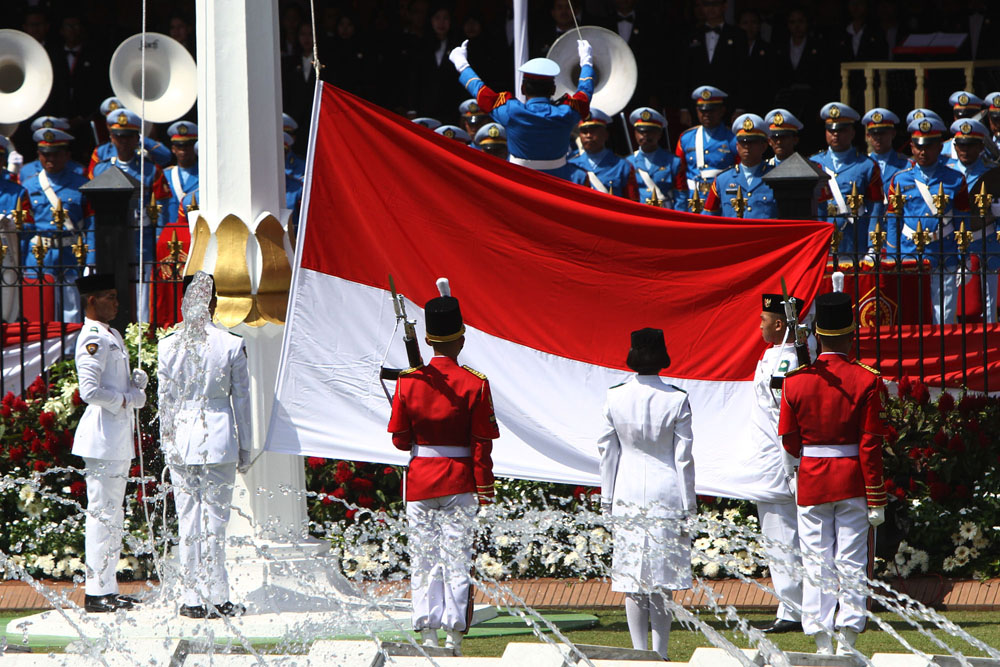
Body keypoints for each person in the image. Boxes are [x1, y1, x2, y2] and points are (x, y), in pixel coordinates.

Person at [387, 279, 499, 655]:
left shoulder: (408, 382)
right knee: (456, 559)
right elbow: (481, 446)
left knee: (423, 559)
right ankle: (453, 635)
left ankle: (427, 633)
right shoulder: (475, 384)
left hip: (420, 481)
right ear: (461, 339)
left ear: (430, 340)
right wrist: (485, 491)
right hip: (460, 480)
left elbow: (400, 440)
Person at [779, 292, 888, 656]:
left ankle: (821, 639)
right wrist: (876, 497)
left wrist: (802, 467)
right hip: (852, 479)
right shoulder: (867, 379)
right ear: (852, 332)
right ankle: (849, 639)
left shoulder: (795, 381)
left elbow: (789, 440)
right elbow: (871, 444)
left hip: (812, 477)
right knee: (852, 560)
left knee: (816, 560)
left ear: (817, 335)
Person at [158, 272, 251, 619]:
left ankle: (190, 596)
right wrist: (246, 446)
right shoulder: (229, 343)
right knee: (215, 520)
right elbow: (242, 400)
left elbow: (164, 401)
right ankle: (217, 594)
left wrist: (167, 442)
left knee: (188, 519)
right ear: (212, 303)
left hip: (182, 439)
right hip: (218, 436)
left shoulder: (168, 344)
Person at [598, 327, 694, 661]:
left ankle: (639, 654)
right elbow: (683, 459)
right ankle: (660, 653)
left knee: (632, 576)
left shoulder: (615, 395)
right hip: (666, 488)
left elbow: (607, 452)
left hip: (626, 488)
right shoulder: (676, 397)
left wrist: (605, 498)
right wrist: (689, 504)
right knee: (661, 578)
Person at [72, 273, 147, 613]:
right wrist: (127, 398)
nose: (116, 303)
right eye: (110, 297)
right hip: (102, 437)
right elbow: (89, 392)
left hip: (116, 437)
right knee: (102, 513)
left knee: (113, 514)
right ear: (92, 301)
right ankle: (96, 592)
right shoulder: (92, 337)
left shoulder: (111, 334)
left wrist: (133, 385)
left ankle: (108, 587)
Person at [450, 38, 594, 181]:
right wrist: (587, 62)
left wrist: (462, 65)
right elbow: (585, 93)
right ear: (553, 89)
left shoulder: (512, 112)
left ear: (523, 88)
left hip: (519, 181)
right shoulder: (567, 112)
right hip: (559, 182)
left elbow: (481, 92)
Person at [752, 294, 804, 635]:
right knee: (785, 538)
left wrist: (790, 466)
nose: (760, 326)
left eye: (764, 320)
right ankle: (794, 604)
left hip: (781, 461)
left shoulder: (786, 360)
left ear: (780, 324)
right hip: (772, 459)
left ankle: (794, 609)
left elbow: (785, 410)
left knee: (783, 537)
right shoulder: (775, 355)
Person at [886, 117, 970, 324]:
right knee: (910, 314)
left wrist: (965, 258)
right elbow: (892, 221)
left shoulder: (956, 179)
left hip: (944, 253)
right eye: (919, 146)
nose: (923, 152)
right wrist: (891, 254)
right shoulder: (899, 179)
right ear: (912, 147)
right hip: (909, 255)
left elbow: (963, 220)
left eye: (930, 146)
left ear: (940, 146)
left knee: (944, 317)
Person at [91, 110, 171, 323]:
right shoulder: (100, 169)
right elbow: (90, 211)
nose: (123, 142)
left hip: (140, 242)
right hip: (108, 244)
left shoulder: (151, 170)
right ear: (111, 138)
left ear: (138, 139)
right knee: (108, 294)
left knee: (142, 296)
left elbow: (161, 212)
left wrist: (158, 245)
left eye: (128, 136)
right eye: (118, 136)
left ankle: (141, 338)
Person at [21, 127, 93, 322]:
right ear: (38, 155)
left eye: (56, 154)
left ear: (67, 155)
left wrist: (91, 255)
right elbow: (24, 227)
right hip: (39, 254)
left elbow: (90, 223)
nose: (50, 159)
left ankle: (69, 350)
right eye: (45, 154)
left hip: (70, 253)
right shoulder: (28, 185)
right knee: (39, 304)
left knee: (71, 306)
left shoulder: (82, 184)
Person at [811, 102, 884, 256]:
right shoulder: (814, 163)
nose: (835, 134)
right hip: (823, 241)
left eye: (841, 130)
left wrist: (873, 246)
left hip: (855, 240)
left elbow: (874, 208)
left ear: (852, 132)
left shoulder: (867, 165)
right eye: (831, 130)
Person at [675, 86, 737, 210]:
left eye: (712, 110)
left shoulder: (732, 138)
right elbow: (679, 175)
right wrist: (681, 206)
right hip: (694, 201)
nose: (707, 115)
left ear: (722, 111)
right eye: (703, 111)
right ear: (697, 111)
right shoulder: (686, 138)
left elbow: (739, 172)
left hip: (721, 201)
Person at [704, 114, 776, 218]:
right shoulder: (722, 180)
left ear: (764, 146)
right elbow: (708, 216)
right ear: (737, 146)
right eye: (743, 142)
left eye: (752, 142)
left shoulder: (776, 177)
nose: (747, 146)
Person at [86, 99, 171, 178]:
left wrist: (141, 140)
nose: (124, 140)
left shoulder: (142, 148)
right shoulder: (102, 150)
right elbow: (92, 180)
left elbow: (165, 157)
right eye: (111, 122)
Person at [569, 109, 639, 200]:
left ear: (605, 135)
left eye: (593, 131)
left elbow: (632, 202)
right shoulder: (572, 165)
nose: (588, 135)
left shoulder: (622, 166)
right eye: (584, 132)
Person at [626, 107, 687, 209]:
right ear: (635, 134)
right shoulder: (628, 162)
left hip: (665, 214)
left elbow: (681, 195)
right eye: (641, 132)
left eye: (650, 132)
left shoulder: (673, 161)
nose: (645, 135)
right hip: (640, 215)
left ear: (659, 134)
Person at [17, 117, 86, 184]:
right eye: (46, 154)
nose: (51, 158)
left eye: (56, 154)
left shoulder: (79, 171)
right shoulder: (26, 171)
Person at [862, 108, 908, 197]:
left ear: (893, 134)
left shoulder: (907, 164)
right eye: (874, 134)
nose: (878, 138)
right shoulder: (862, 164)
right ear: (868, 136)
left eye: (882, 133)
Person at [162, 122, 199, 225]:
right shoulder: (165, 175)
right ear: (173, 149)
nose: (183, 150)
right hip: (171, 232)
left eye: (188, 145)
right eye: (179, 146)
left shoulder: (204, 174)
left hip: (196, 231)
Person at [942, 91, 986, 163]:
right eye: (960, 117)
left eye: (968, 116)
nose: (964, 121)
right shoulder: (942, 149)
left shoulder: (987, 149)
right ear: (954, 117)